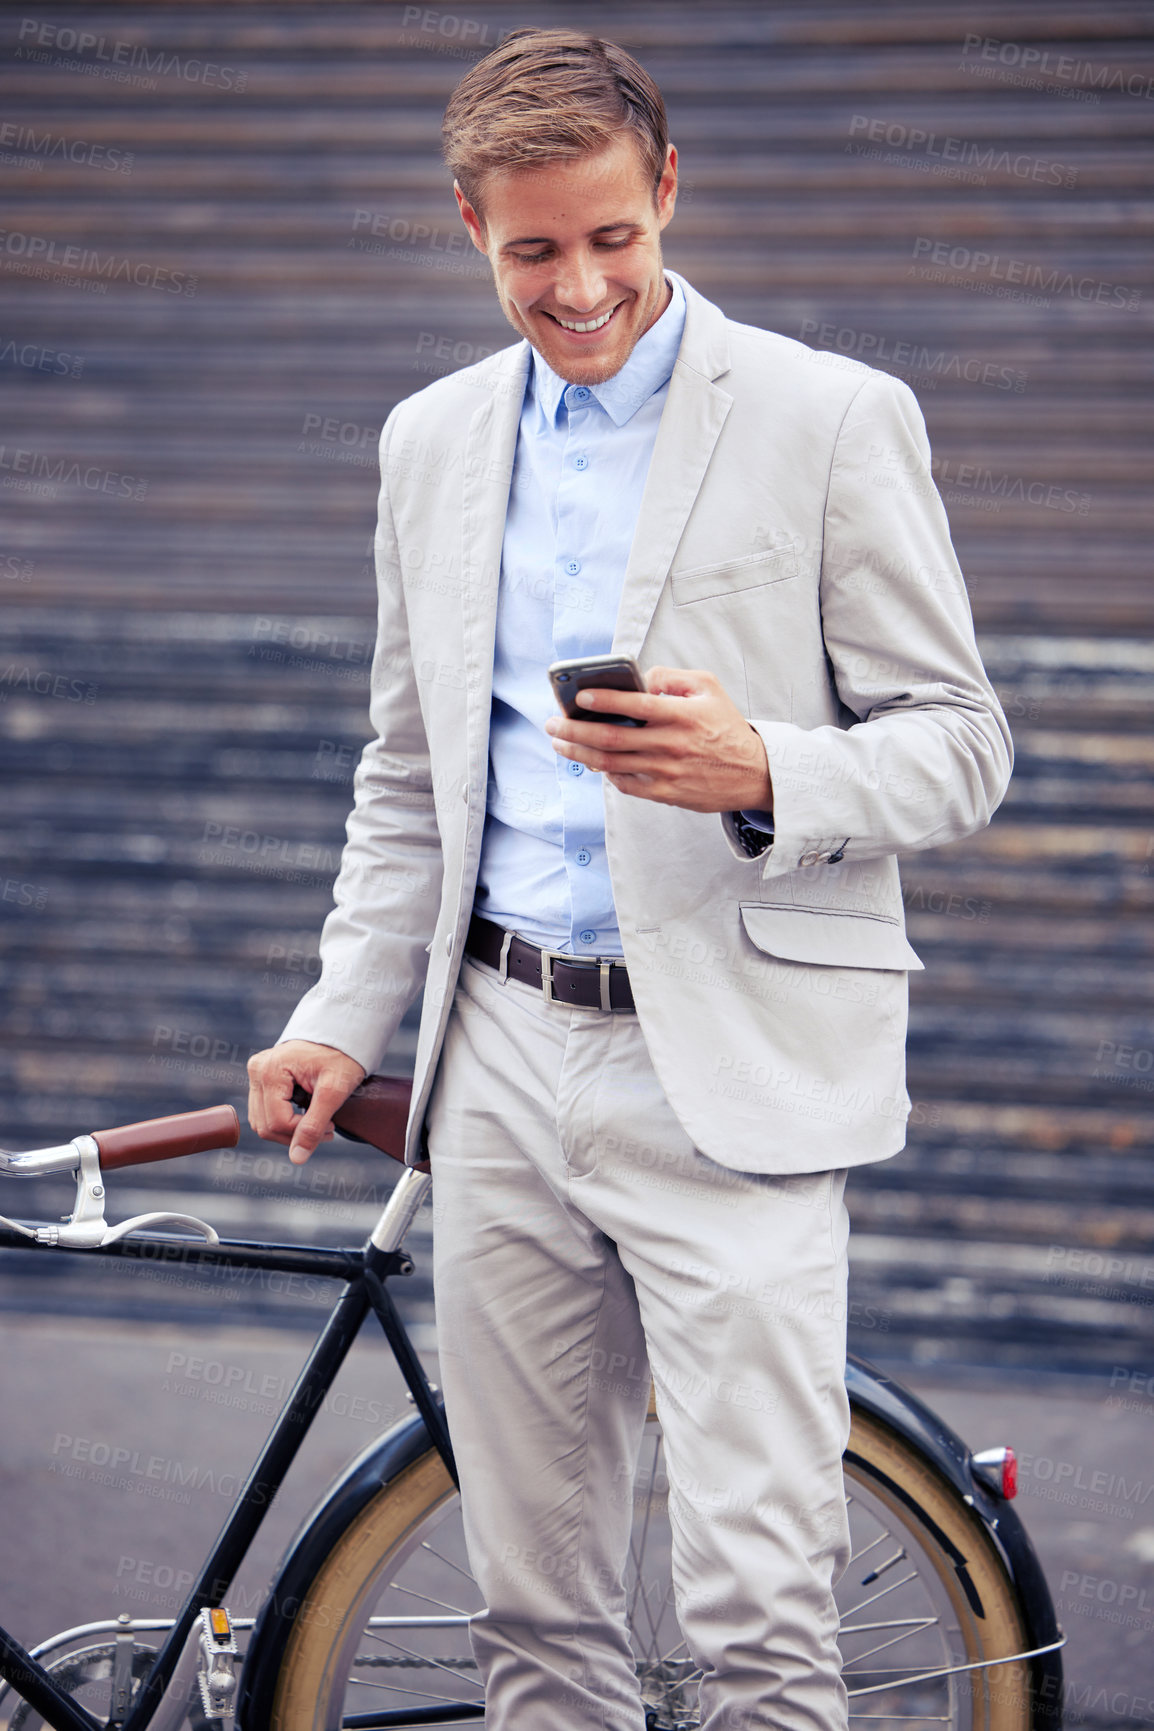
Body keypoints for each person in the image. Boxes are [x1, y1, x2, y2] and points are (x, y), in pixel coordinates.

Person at [247, 27, 1012, 1730]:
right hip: (501, 1058)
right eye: (533, 250)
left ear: (665, 193)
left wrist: (766, 774)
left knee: (756, 1616)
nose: (578, 286)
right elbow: (408, 774)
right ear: (470, 228)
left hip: (726, 1068)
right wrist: (336, 1013)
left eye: (612, 238)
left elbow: (963, 742)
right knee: (536, 1604)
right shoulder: (428, 441)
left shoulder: (829, 416)